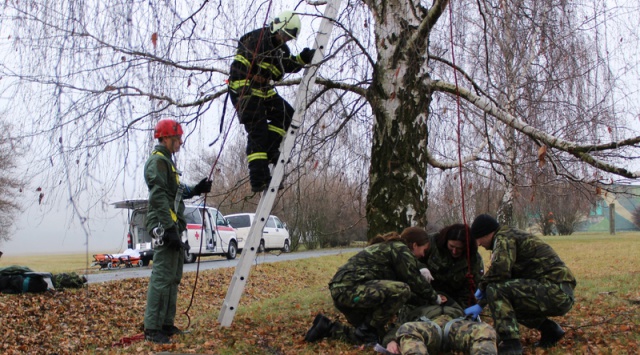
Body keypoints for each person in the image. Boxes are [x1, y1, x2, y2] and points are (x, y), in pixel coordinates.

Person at [304, 227, 444, 345]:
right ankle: (366, 329)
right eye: (424, 250)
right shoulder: (400, 249)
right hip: (349, 291)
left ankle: (327, 327)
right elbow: (413, 281)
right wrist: (435, 298)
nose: (423, 255)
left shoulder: (392, 248)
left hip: (346, 291)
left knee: (373, 337)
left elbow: (401, 285)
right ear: (414, 245)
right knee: (403, 290)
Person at [228, 10, 316, 192]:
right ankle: (259, 179)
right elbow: (237, 69)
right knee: (257, 130)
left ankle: (270, 150)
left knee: (286, 114)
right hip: (244, 90)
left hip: (262, 90)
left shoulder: (280, 49)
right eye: (284, 34)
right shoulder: (255, 41)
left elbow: (287, 64)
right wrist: (245, 97)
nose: (285, 39)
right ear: (277, 26)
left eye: (288, 37)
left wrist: (302, 59)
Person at [465, 214, 576, 354]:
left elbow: (500, 271)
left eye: (478, 239)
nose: (479, 244)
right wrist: (481, 304)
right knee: (506, 299)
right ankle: (550, 331)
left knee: (496, 289)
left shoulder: (504, 237)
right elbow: (506, 281)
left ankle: (510, 344)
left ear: (486, 234)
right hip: (558, 292)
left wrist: (481, 287)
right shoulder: (509, 236)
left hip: (555, 291)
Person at [143, 118, 212, 344]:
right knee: (162, 278)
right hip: (164, 227)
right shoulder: (158, 162)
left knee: (173, 277)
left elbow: (177, 191)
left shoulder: (168, 163)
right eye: (176, 138)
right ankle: (152, 329)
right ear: (164, 138)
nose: (180, 142)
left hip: (172, 227)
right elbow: (159, 196)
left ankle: (166, 324)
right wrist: (170, 229)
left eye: (180, 138)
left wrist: (196, 189)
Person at [381, 302, 497, 354]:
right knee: (407, 328)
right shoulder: (414, 304)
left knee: (485, 329)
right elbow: (399, 325)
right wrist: (391, 340)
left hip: (455, 325)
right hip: (428, 327)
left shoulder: (454, 301)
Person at [419, 224, 484, 308]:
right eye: (451, 246)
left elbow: (470, 291)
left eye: (459, 248)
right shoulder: (432, 243)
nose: (454, 251)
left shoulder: (474, 260)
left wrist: (460, 310)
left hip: (454, 301)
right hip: (427, 294)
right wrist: (421, 267)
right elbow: (412, 258)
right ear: (446, 241)